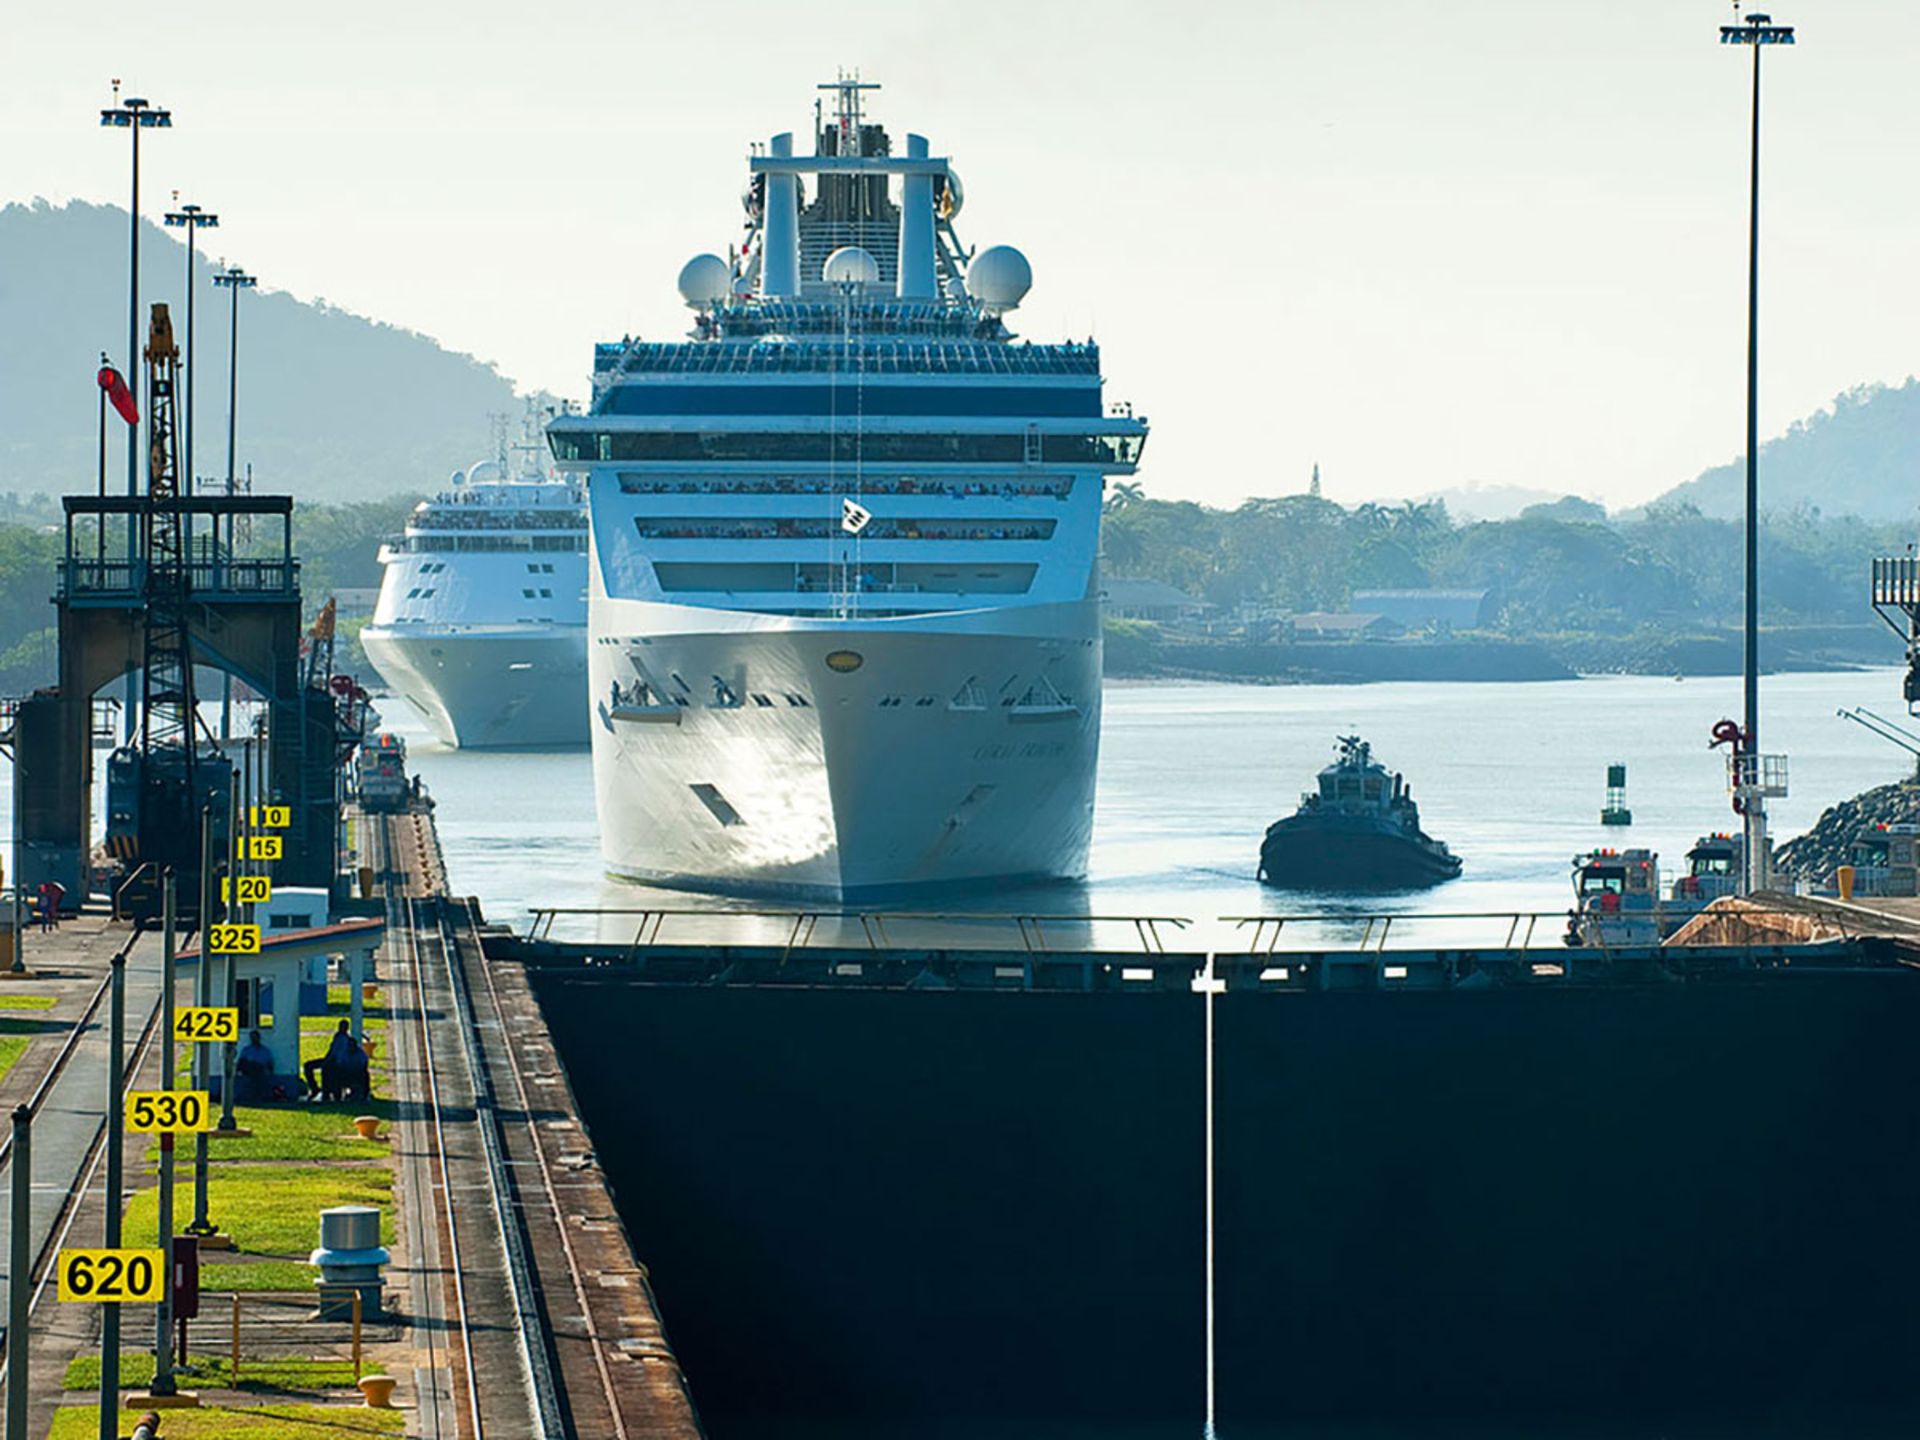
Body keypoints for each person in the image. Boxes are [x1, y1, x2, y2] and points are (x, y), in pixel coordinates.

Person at [303, 1019, 355, 1101]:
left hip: (335, 1063)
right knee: (308, 1065)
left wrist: (329, 1061)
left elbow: (339, 1055)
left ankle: (321, 1090)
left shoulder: (345, 1040)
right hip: (329, 1059)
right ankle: (314, 1087)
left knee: (318, 1067)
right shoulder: (337, 1036)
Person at [235, 1029, 275, 1104]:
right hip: (249, 1070)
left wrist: (270, 1070)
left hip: (260, 1070)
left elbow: (270, 1063)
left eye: (255, 1037)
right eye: (252, 1038)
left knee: (258, 1073)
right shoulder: (247, 1050)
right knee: (252, 1067)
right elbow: (241, 1061)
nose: (254, 1039)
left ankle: (259, 1097)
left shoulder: (265, 1051)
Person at [337, 1037, 372, 1103]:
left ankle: (364, 1095)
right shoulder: (344, 1053)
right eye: (350, 1045)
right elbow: (340, 1064)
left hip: (357, 1073)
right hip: (346, 1073)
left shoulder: (360, 1054)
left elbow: (364, 1064)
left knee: (365, 1075)